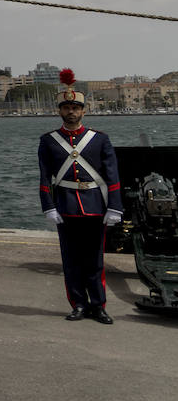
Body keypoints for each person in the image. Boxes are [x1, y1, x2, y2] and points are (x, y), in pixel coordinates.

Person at [38, 70, 122, 324]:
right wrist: (48, 206)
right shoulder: (48, 141)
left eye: (76, 107)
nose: (71, 111)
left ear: (84, 111)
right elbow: (44, 177)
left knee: (95, 261)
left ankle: (98, 305)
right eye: (66, 107)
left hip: (96, 206)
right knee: (71, 260)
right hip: (65, 207)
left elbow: (112, 175)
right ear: (59, 111)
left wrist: (114, 207)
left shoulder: (100, 140)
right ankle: (78, 304)